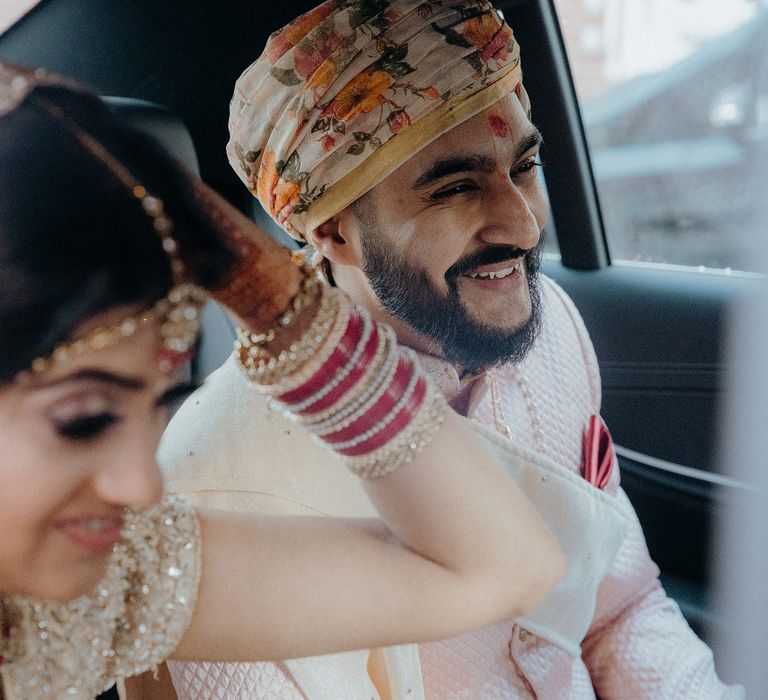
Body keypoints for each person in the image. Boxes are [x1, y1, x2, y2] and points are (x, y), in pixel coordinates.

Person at [154, 1, 744, 698]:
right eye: (457, 187)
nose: (524, 226)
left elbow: (621, 607)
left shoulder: (549, 324)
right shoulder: (225, 484)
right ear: (335, 232)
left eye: (524, 166)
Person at [0, 61, 568, 700]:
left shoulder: (113, 590)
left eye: (159, 407)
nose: (143, 485)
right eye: (83, 420)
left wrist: (271, 294)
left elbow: (508, 568)